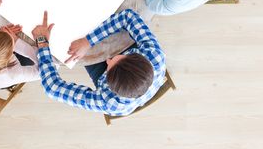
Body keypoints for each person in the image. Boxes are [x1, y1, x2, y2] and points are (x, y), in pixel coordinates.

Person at [32, 9, 165, 116]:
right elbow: (128, 16)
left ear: (110, 84)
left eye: (109, 65)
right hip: (134, 70)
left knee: (76, 50)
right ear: (139, 57)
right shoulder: (154, 55)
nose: (107, 60)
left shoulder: (107, 102)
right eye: (117, 58)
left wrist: (42, 42)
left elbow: (52, 88)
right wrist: (87, 41)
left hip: (107, 79)